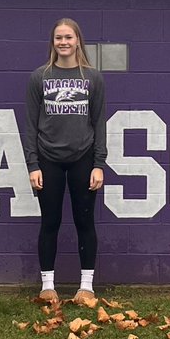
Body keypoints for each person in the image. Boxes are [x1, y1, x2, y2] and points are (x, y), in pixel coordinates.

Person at [23, 18, 107, 305]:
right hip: (48, 160)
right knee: (50, 221)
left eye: (68, 37)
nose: (63, 42)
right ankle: (48, 286)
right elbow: (30, 126)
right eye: (58, 38)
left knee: (85, 221)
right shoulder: (39, 77)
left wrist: (99, 163)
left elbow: (99, 123)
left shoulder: (93, 78)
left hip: (83, 158)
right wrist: (32, 164)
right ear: (53, 43)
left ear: (77, 41)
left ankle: (86, 286)